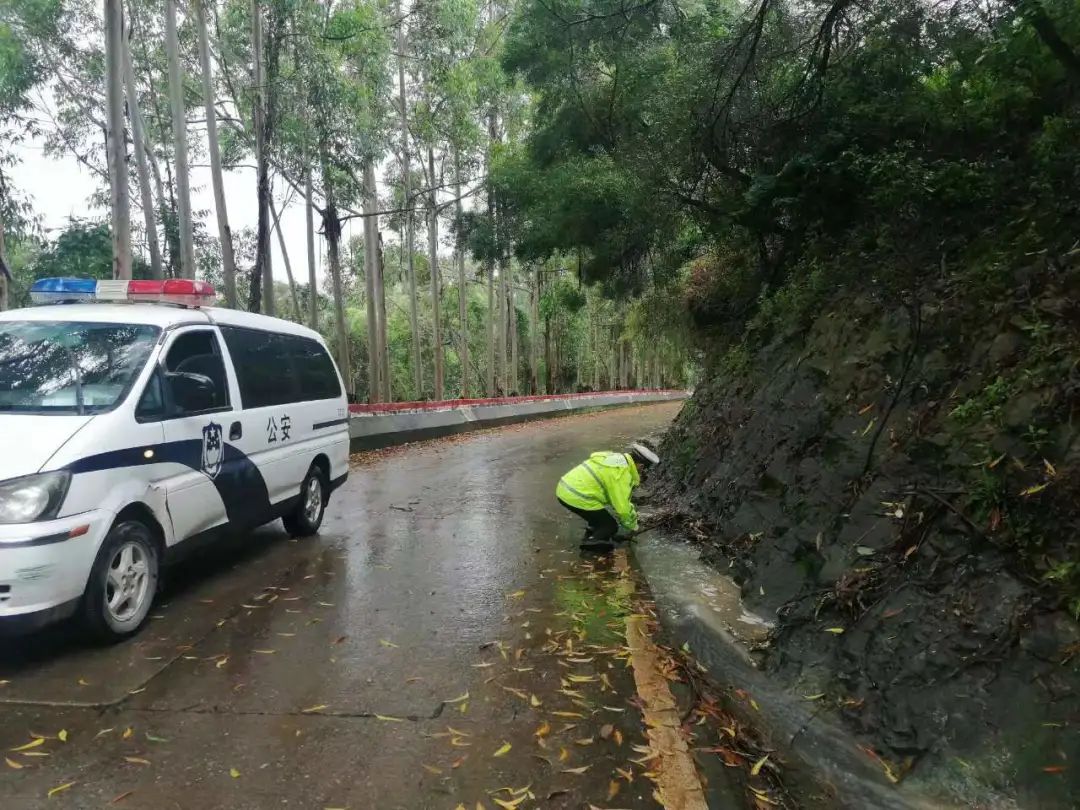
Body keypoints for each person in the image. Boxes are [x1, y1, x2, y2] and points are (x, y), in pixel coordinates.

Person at [556, 442, 660, 547]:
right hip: (577, 495)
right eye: (643, 470)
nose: (642, 472)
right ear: (641, 466)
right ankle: (592, 542)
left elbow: (614, 499)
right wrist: (633, 526)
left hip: (565, 488)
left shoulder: (615, 459)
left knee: (600, 517)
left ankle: (596, 530)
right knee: (610, 526)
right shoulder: (622, 474)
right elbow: (622, 507)